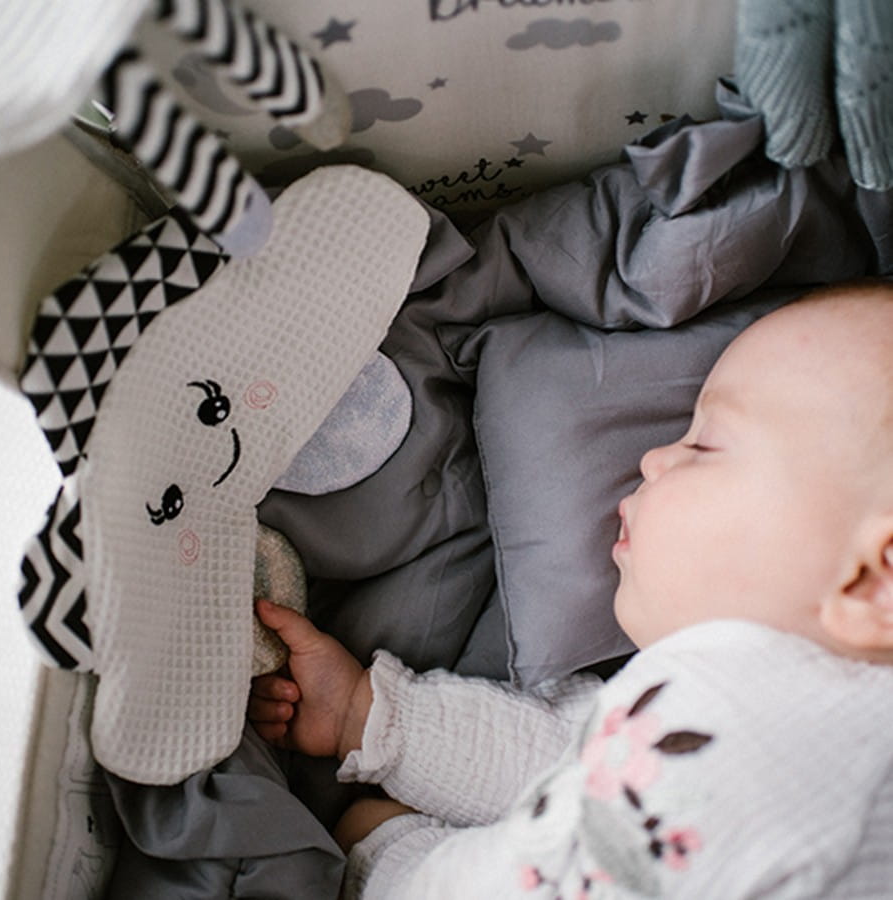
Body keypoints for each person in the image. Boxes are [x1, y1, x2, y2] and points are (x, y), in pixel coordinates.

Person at [247, 280, 893, 898]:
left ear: (876, 581)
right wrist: (365, 715)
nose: (653, 459)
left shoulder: (782, 759)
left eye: (706, 445)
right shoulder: (763, 713)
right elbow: (591, 763)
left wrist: (387, 857)